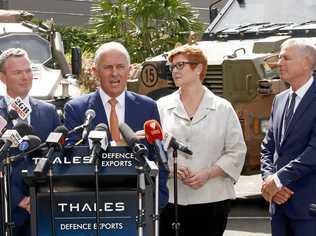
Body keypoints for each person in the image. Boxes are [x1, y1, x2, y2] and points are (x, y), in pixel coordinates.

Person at [63, 41, 168, 208]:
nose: (114, 73)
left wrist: (159, 197)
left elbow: (158, 155)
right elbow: (71, 155)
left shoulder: (148, 107)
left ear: (130, 70)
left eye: (120, 67)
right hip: (92, 201)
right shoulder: (77, 109)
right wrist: (117, 144)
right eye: (107, 67)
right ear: (95, 72)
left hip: (138, 200)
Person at [157, 45, 246, 236]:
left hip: (213, 198)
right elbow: (152, 148)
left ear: (198, 68)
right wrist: (169, 168)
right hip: (171, 198)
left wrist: (208, 173)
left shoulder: (223, 108)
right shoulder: (161, 107)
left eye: (180, 65)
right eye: (172, 67)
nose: (175, 70)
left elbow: (236, 151)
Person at [0, 48, 60, 236]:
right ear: (2, 77)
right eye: (18, 72)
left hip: (42, 209)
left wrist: (40, 197)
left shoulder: (49, 112)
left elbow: (58, 157)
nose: (25, 77)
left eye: (28, 71)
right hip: (5, 211)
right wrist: (19, 199)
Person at [261, 38, 316, 236]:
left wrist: (278, 179)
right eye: (279, 57)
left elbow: (313, 152)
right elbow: (268, 147)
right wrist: (270, 180)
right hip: (278, 206)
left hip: (309, 208)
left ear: (306, 63)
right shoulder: (280, 99)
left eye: (286, 58)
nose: (279, 63)